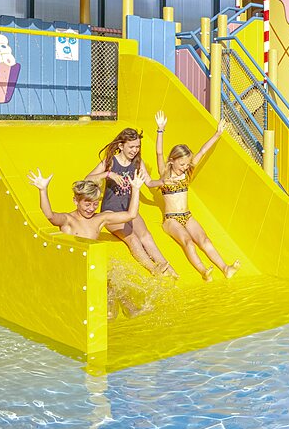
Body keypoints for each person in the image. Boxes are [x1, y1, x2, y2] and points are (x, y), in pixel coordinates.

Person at [27, 170, 154, 319]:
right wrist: (43, 190)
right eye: (87, 204)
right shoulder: (68, 220)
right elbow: (49, 215)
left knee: (113, 279)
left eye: (95, 204)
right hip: (72, 269)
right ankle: (115, 311)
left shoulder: (100, 219)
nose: (91, 208)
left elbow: (131, 215)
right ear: (76, 201)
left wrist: (136, 189)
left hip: (92, 268)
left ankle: (128, 309)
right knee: (106, 283)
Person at [153, 110, 240, 281]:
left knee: (205, 240)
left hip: (187, 216)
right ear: (173, 160)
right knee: (188, 242)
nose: (185, 167)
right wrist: (160, 130)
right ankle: (203, 271)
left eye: (187, 164)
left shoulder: (187, 173)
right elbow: (159, 153)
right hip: (171, 220)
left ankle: (225, 268)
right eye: (182, 163)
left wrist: (217, 133)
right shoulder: (165, 173)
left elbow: (202, 151)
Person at [86, 127, 177, 278]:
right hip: (111, 212)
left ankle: (166, 266)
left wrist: (162, 181)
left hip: (130, 210)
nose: (135, 150)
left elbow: (148, 182)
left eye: (137, 147)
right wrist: (108, 174)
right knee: (132, 238)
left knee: (146, 236)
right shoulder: (110, 162)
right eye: (131, 147)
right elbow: (87, 178)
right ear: (121, 146)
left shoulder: (137, 163)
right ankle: (152, 269)